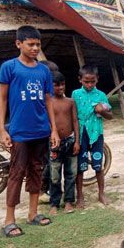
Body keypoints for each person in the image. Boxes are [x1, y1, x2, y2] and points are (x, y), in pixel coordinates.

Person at [0, 25, 60, 237]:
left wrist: (54, 130)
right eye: (30, 44)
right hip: (19, 132)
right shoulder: (9, 67)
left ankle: (33, 214)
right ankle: (9, 220)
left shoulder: (43, 70)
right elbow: (2, 98)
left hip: (41, 131)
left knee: (36, 171)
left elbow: (48, 100)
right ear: (18, 44)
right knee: (16, 173)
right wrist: (1, 129)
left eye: (38, 44)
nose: (35, 48)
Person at [72, 64, 112, 208]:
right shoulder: (75, 94)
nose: (89, 84)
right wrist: (75, 138)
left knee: (98, 165)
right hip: (81, 134)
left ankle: (101, 194)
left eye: (92, 81)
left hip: (96, 134)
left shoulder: (101, 95)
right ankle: (80, 196)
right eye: (86, 81)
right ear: (80, 80)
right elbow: (73, 116)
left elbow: (110, 116)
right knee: (80, 167)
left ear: (97, 80)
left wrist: (102, 111)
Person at [49, 70, 79, 215]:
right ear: (50, 85)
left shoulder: (70, 102)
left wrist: (77, 141)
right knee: (54, 174)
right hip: (54, 143)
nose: (60, 88)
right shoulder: (48, 102)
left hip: (70, 141)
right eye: (56, 85)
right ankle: (54, 203)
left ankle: (68, 201)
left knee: (71, 173)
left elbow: (75, 121)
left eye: (62, 85)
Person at [38, 60, 60, 204]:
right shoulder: (45, 94)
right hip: (43, 132)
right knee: (48, 162)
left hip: (45, 131)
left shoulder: (47, 92)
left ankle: (46, 189)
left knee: (47, 161)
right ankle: (40, 191)